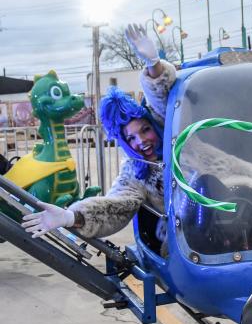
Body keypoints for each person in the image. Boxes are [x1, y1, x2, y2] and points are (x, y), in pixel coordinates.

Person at [21, 24, 177, 240]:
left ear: (156, 124)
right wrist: (71, 216)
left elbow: (164, 100)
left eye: (145, 129)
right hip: (183, 243)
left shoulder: (179, 139)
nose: (141, 141)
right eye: (130, 138)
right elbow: (116, 205)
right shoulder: (135, 171)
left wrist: (154, 66)